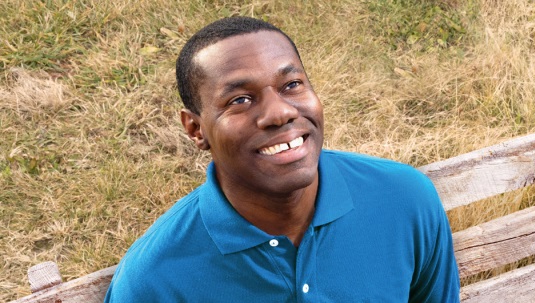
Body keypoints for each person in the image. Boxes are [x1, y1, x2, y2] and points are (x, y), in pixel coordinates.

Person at [105, 16, 460, 302]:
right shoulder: (155, 280)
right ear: (196, 130)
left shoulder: (403, 199)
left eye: (291, 85)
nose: (279, 113)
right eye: (240, 100)